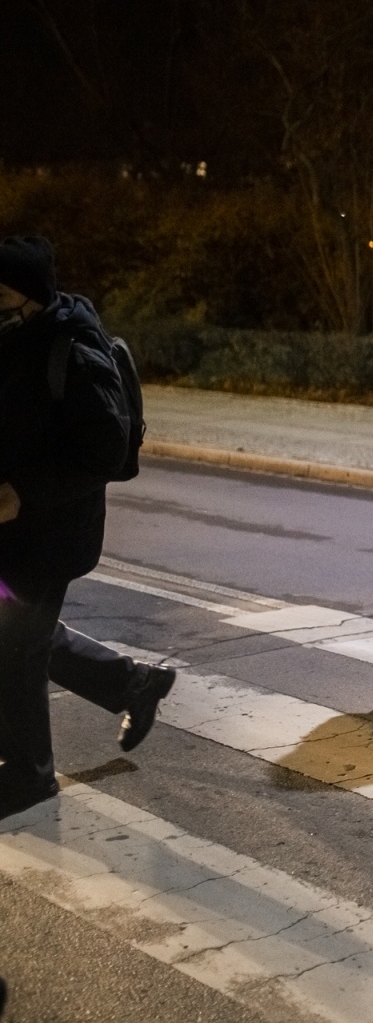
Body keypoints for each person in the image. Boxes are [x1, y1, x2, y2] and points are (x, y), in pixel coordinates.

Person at [0, 236, 175, 820]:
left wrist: (24, 492)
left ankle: (29, 776)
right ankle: (133, 684)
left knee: (16, 646)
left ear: (29, 295)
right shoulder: (13, 338)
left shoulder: (71, 352)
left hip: (49, 533)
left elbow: (105, 449)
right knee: (24, 634)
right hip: (13, 530)